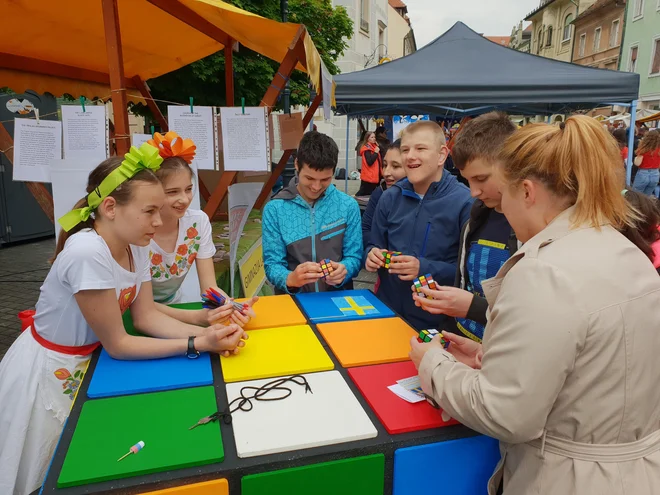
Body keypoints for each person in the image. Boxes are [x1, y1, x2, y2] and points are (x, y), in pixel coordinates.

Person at [410, 116, 660, 495]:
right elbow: (597, 367)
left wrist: (432, 363)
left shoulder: (544, 271)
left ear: (526, 191)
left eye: (504, 198)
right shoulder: (624, 250)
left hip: (566, 478)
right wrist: (488, 355)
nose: (503, 211)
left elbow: (504, 413)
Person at [0, 144, 247, 495]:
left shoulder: (135, 244)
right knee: (42, 471)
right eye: (150, 211)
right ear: (111, 207)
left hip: (88, 363)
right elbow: (119, 343)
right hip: (49, 373)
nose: (159, 222)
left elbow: (146, 317)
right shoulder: (88, 252)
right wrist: (198, 342)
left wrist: (210, 329)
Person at [414, 112, 517, 343]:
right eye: (467, 180)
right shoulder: (475, 219)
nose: (473, 192)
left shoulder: (531, 228)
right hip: (466, 342)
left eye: (481, 179)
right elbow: (465, 282)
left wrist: (472, 307)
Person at [365, 121, 473, 330]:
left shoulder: (465, 203)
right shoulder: (389, 198)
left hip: (439, 323)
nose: (410, 156)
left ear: (442, 155)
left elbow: (467, 272)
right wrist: (371, 255)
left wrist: (422, 268)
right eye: (405, 150)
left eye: (420, 148)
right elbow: (373, 245)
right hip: (388, 314)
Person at [143, 132, 256, 325]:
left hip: (177, 309)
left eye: (188, 189)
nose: (185, 199)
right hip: (139, 315)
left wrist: (232, 306)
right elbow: (140, 306)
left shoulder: (197, 222)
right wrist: (198, 318)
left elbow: (209, 288)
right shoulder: (138, 231)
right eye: (172, 192)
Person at [262, 131, 362, 294]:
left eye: (325, 180)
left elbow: (355, 257)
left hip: (338, 299)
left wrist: (344, 269)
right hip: (293, 302)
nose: (316, 187)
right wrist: (290, 278)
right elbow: (272, 264)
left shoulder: (348, 205)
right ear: (296, 164)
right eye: (309, 178)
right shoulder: (275, 209)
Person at [362, 140, 407, 250]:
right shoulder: (380, 192)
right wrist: (373, 251)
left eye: (395, 166)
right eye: (385, 165)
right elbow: (365, 229)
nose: (386, 172)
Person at [632, 130, 660, 196]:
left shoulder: (644, 149)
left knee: (636, 195)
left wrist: (635, 158)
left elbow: (637, 163)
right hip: (655, 174)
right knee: (647, 197)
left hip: (643, 173)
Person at [356, 131, 382, 196]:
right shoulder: (367, 149)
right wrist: (376, 152)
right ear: (368, 139)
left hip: (374, 175)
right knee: (363, 193)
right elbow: (369, 162)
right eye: (372, 137)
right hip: (369, 176)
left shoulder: (374, 147)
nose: (374, 138)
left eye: (374, 137)